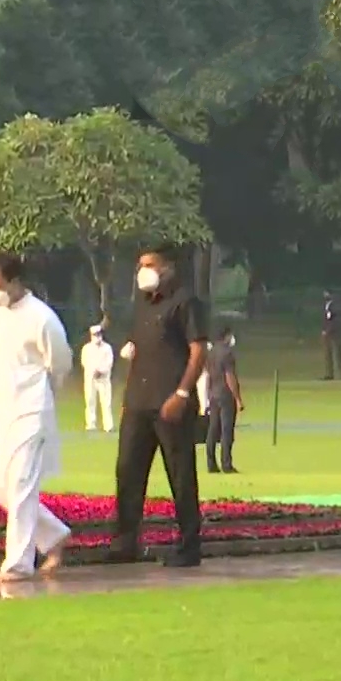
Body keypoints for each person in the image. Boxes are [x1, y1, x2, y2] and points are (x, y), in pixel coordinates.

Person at [109, 242, 209, 569]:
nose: (143, 272)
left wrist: (182, 394)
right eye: (140, 265)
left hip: (170, 401)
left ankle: (189, 546)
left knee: (179, 474)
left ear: (168, 268)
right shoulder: (142, 304)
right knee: (128, 470)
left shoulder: (184, 303)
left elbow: (198, 351)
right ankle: (126, 541)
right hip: (139, 401)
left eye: (149, 265)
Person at [0, 253, 75, 584]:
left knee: (21, 483)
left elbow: (60, 363)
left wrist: (44, 396)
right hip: (3, 407)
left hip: (33, 408)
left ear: (16, 282)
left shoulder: (42, 319)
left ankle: (18, 564)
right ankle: (54, 535)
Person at [203, 324, 245, 474]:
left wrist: (207, 395)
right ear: (227, 336)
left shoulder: (211, 353)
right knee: (227, 430)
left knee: (213, 429)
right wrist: (238, 398)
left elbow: (208, 376)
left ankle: (211, 463)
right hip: (225, 395)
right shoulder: (227, 353)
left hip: (213, 394)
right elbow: (230, 377)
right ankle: (226, 463)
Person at [80, 324, 115, 433]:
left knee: (106, 402)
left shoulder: (107, 348)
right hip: (90, 378)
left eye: (99, 334)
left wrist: (101, 371)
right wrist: (93, 371)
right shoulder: (87, 348)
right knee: (90, 400)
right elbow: (84, 362)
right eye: (95, 334)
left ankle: (108, 425)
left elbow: (109, 362)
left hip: (103, 379)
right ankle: (91, 424)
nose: (97, 336)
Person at [321, 289, 341, 381]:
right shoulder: (326, 306)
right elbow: (326, 319)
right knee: (328, 354)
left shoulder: (335, 306)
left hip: (335, 333)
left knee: (338, 353)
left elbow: (334, 320)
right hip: (328, 333)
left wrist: (328, 330)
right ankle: (329, 373)